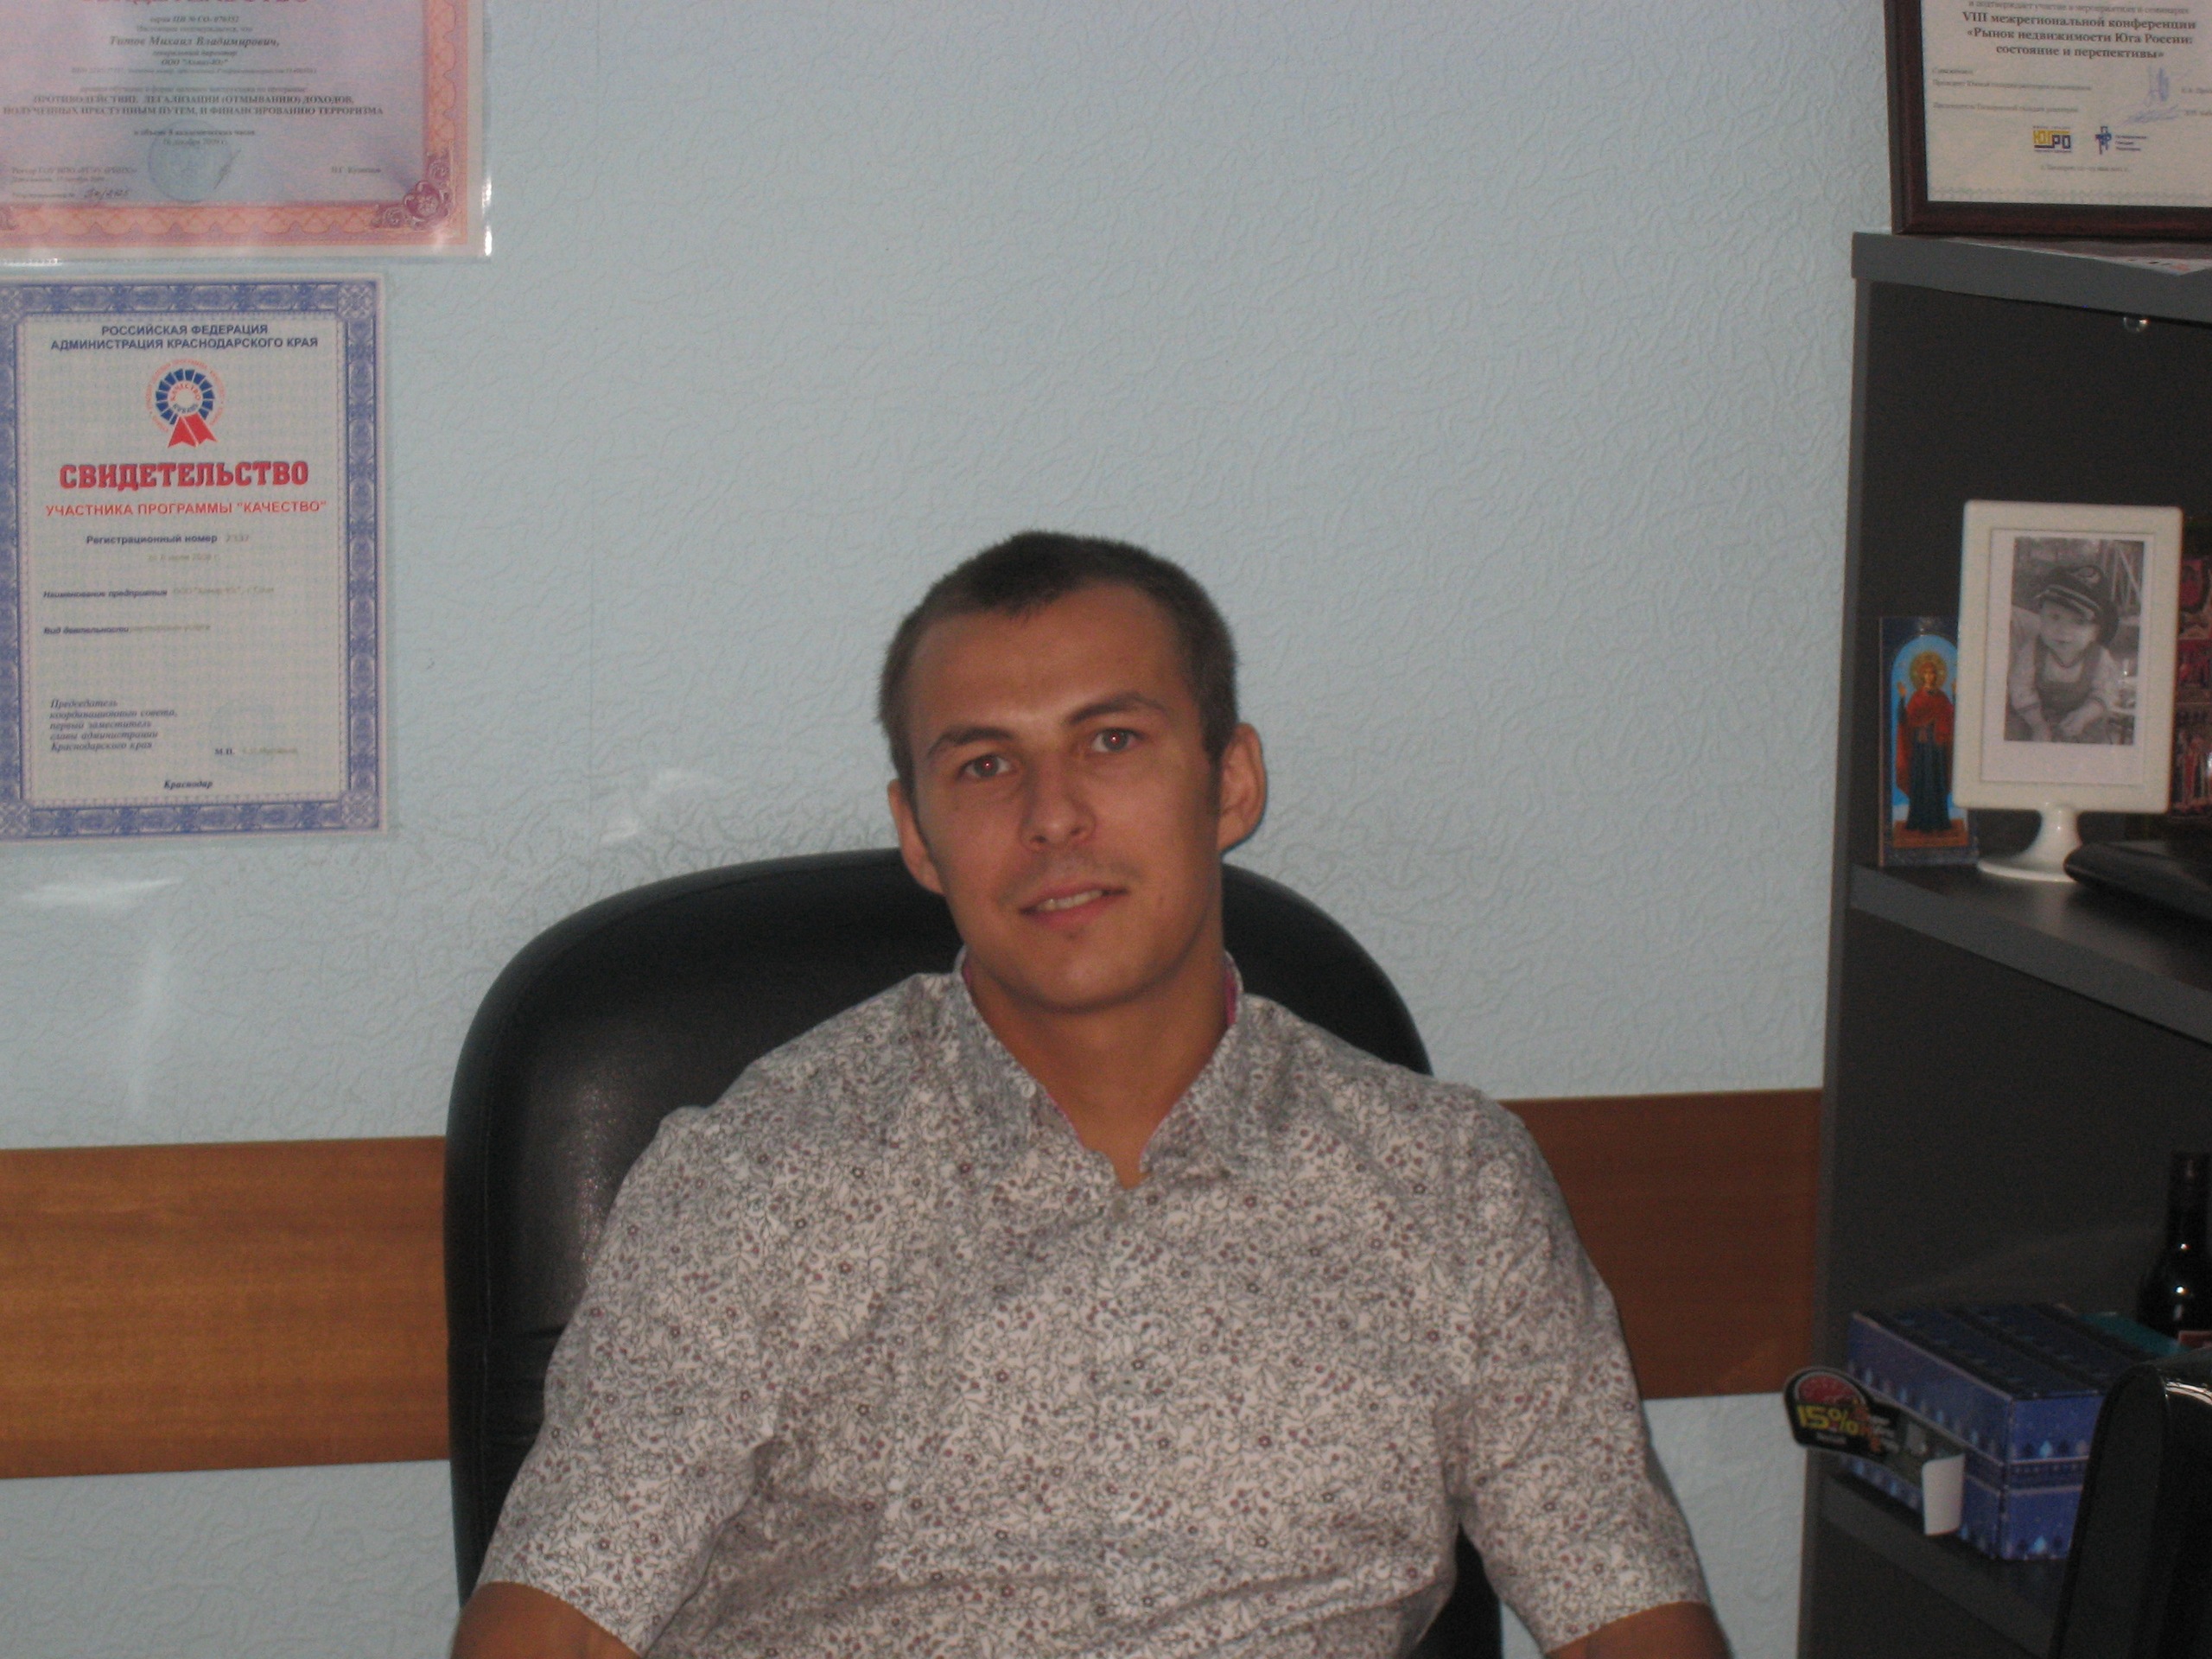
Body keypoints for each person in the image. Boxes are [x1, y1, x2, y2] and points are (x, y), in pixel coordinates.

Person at [452, 532, 1725, 1659]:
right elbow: (559, 1620)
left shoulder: (1450, 1189)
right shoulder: (761, 1175)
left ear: (1230, 782)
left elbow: (1622, 1613)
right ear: (917, 832)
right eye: (984, 766)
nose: (1053, 816)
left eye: (1111, 742)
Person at [2007, 565, 2122, 744]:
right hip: (2037, 720)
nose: (2063, 629)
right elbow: (2020, 688)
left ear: (2095, 632)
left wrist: (2085, 715)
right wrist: (2037, 723)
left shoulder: (2100, 657)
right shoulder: (2032, 651)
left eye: (2079, 622)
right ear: (2041, 616)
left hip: (2086, 726)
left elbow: (2107, 691)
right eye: (2054, 617)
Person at [1896, 650, 1955, 837]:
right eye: (1927, 673)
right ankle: (1920, 821)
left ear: (1937, 676)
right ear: (1922, 676)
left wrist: (1955, 695)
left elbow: (1952, 716)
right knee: (1922, 780)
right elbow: (1905, 720)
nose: (1930, 676)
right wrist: (1902, 698)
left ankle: (1939, 821)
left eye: (1933, 673)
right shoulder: (1916, 697)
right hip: (1922, 746)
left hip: (1938, 746)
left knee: (1937, 780)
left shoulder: (1942, 697)